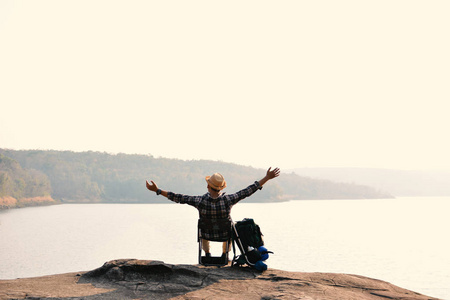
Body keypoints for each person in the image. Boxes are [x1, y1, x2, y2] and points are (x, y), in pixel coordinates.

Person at [146, 167, 280, 257]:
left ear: (208, 186)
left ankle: (207, 254)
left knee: (202, 227)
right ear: (221, 187)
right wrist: (267, 177)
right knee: (229, 227)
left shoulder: (199, 201)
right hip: (224, 235)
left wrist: (158, 190)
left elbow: (178, 197)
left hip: (207, 234)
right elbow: (248, 190)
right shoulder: (228, 200)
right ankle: (224, 255)